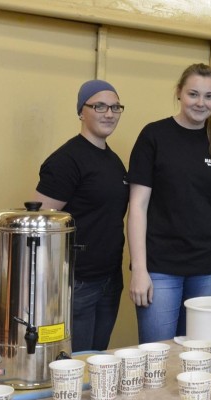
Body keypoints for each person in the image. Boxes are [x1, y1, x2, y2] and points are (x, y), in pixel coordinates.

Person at [127, 63, 211, 344]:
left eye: (209, 96)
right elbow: (137, 207)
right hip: (160, 268)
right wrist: (139, 269)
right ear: (179, 93)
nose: (201, 102)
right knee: (157, 356)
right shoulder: (154, 136)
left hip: (208, 267)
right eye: (193, 94)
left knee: (197, 356)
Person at [35, 79, 129, 352]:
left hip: (110, 279)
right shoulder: (66, 160)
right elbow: (39, 224)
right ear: (81, 112)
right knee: (74, 365)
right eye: (99, 106)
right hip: (77, 283)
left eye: (115, 107)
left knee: (96, 360)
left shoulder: (113, 161)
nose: (109, 114)